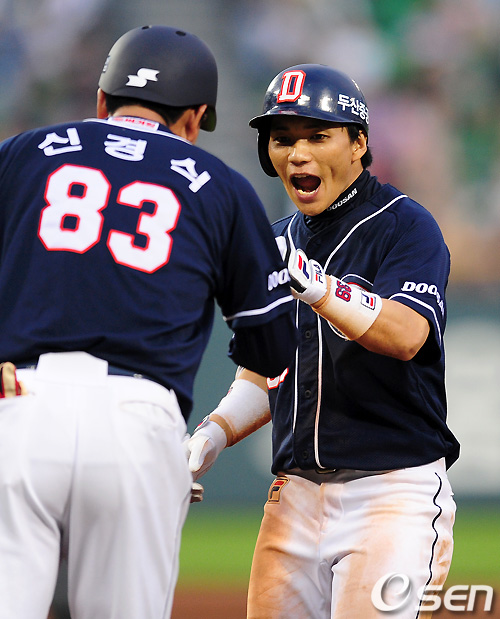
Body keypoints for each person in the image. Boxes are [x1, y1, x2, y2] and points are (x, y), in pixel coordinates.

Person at [0, 25, 297, 619]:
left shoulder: (22, 153)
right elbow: (272, 348)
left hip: (21, 409)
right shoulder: (221, 186)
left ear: (102, 101)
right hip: (137, 420)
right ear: (195, 118)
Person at [185, 64, 460, 618]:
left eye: (317, 135)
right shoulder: (274, 241)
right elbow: (264, 374)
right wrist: (210, 436)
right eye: (283, 139)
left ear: (359, 143)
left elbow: (408, 334)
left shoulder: (405, 225)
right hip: (293, 497)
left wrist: (319, 287)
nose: (297, 153)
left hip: (391, 493)